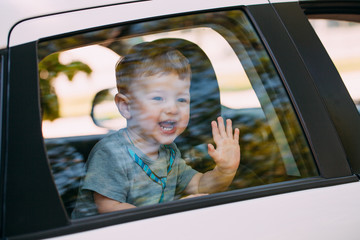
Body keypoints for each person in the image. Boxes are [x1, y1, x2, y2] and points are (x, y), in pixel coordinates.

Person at [72, 42, 240, 218]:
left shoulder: (168, 152)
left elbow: (199, 185)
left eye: (182, 100)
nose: (173, 109)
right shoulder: (110, 153)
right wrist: (172, 213)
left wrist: (224, 171)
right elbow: (109, 208)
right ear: (126, 107)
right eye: (158, 98)